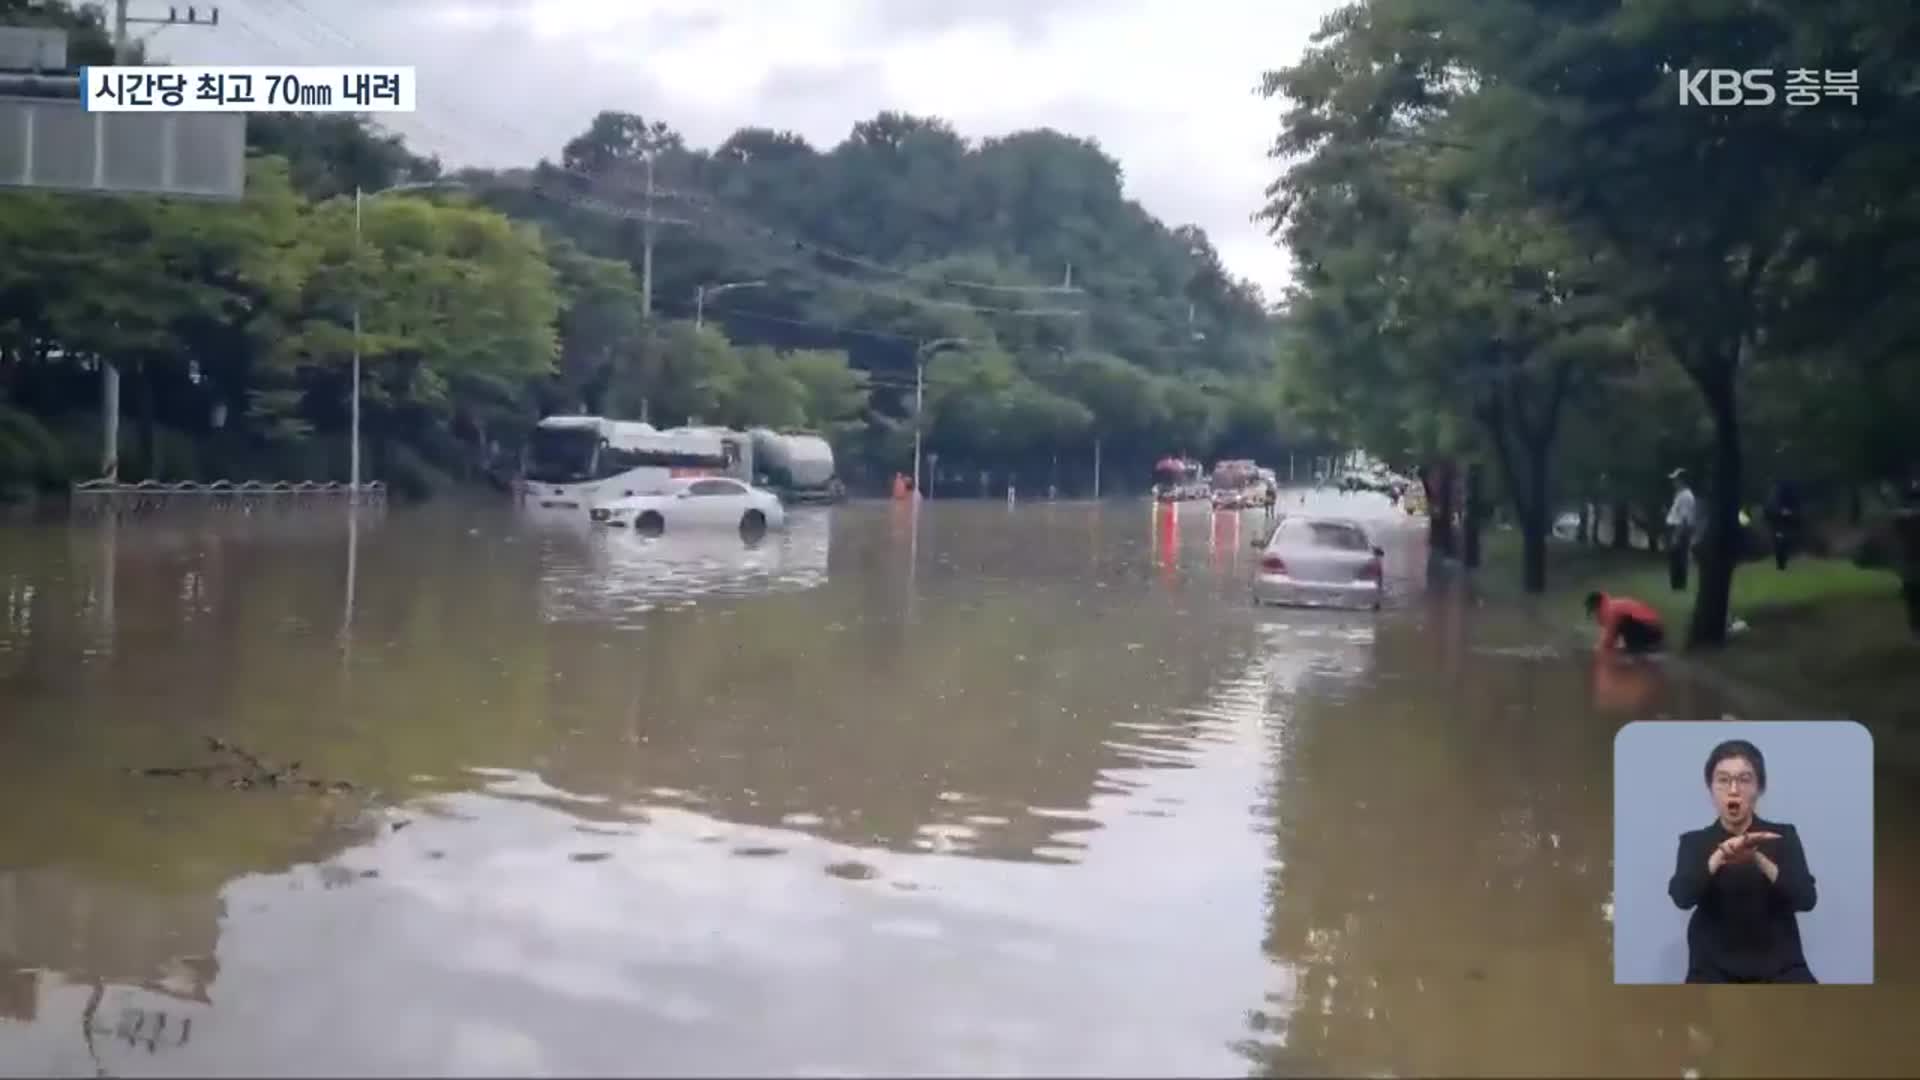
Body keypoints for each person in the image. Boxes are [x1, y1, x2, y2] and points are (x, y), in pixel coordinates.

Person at [1666, 739, 1819, 983]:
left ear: (1758, 788)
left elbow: (1806, 899)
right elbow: (1683, 897)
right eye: (1723, 780)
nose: (1733, 789)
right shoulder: (1694, 842)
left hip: (1780, 966)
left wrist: (1758, 858)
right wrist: (1721, 855)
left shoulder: (1782, 836)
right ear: (1711, 788)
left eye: (1745, 779)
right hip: (1712, 968)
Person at [1585, 591, 1665, 654]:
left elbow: (1609, 640)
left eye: (1593, 611)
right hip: (1655, 630)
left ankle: (1636, 650)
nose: (1595, 615)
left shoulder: (1610, 610)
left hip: (1647, 629)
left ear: (1596, 606)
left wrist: (1597, 650)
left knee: (1622, 628)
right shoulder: (1613, 605)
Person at [1665, 468, 1697, 590]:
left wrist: (1676, 536)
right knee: (1675, 558)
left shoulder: (1686, 496)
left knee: (1679, 558)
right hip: (1675, 527)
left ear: (1682, 481)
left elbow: (1684, 519)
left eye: (1676, 479)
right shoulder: (1680, 495)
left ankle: (1679, 586)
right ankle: (1676, 585)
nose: (1674, 482)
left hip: (1679, 529)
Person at [1764, 480, 1802, 571]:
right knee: (1779, 541)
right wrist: (1781, 512)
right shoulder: (1774, 497)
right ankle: (1780, 563)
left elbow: (1796, 511)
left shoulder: (1788, 496)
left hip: (1784, 523)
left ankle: (1782, 562)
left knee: (1784, 541)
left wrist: (1790, 513)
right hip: (1776, 523)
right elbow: (1769, 511)